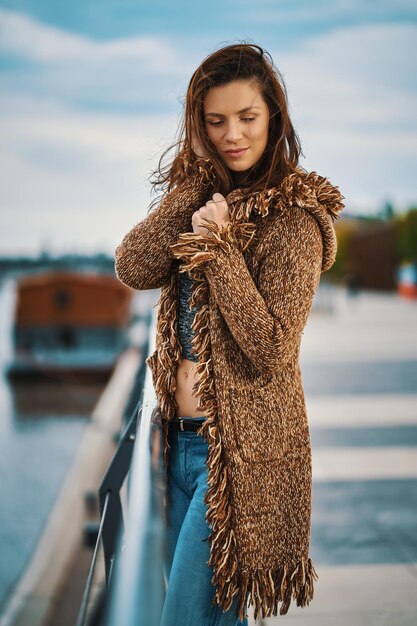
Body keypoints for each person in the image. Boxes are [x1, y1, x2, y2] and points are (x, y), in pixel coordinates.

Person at [114, 42, 345, 624]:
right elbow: (134, 266)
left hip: (242, 459)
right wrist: (195, 183)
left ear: (274, 117)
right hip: (177, 447)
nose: (233, 134)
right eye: (215, 122)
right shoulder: (205, 200)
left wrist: (218, 250)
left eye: (248, 117)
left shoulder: (294, 220)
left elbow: (271, 350)